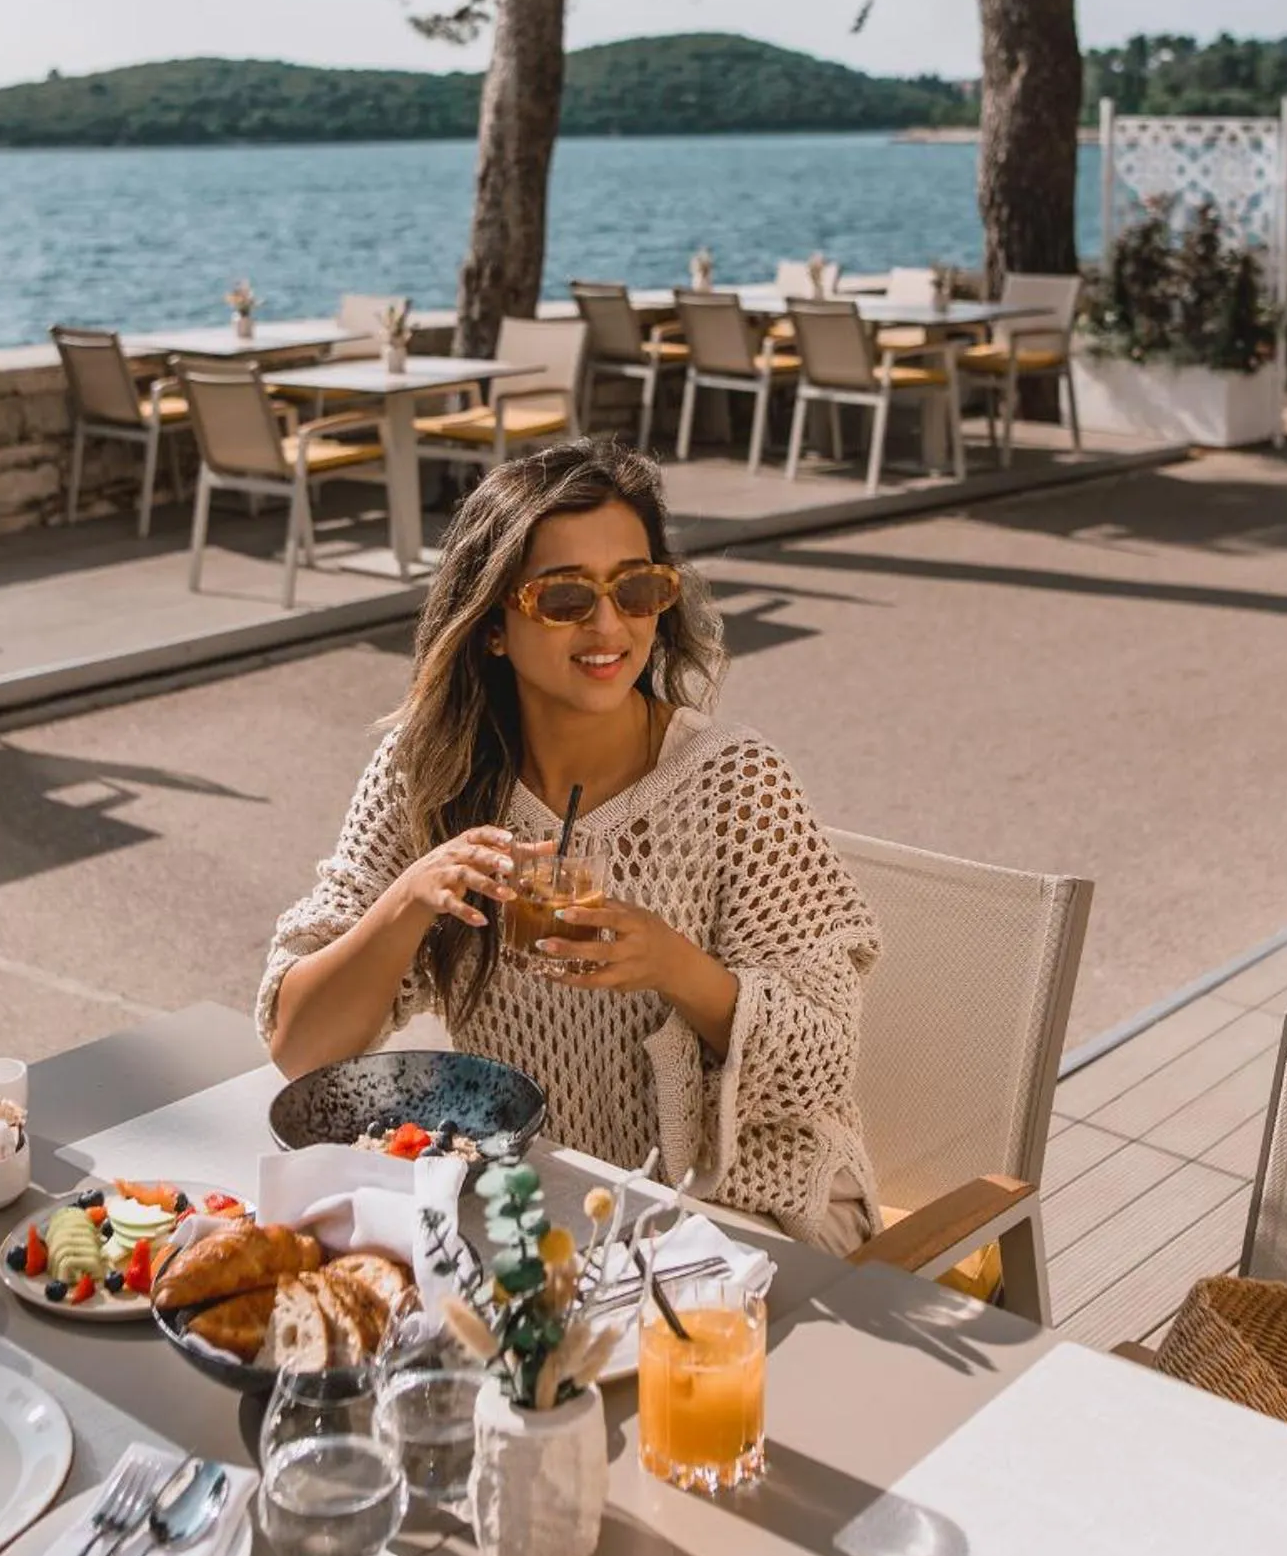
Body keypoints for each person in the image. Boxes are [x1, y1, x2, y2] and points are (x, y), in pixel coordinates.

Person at [259, 438, 880, 1251]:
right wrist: (409, 899)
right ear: (490, 626)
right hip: (534, 1205)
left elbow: (825, 1062)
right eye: (563, 599)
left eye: (637, 588)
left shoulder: (737, 786)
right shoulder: (429, 774)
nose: (609, 625)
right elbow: (300, 1049)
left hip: (744, 1217)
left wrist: (675, 965)